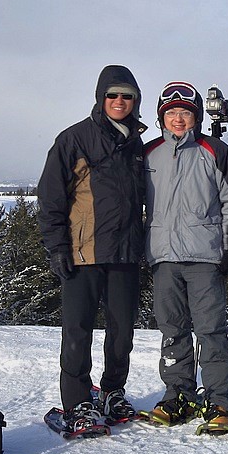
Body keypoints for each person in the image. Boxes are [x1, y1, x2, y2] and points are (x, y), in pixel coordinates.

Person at [38, 65, 146, 434]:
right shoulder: (74, 139)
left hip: (126, 253)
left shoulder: (136, 145)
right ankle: (78, 401)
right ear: (101, 98)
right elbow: (51, 198)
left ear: (136, 101)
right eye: (113, 95)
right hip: (82, 253)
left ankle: (113, 391)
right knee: (78, 330)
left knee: (122, 332)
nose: (119, 102)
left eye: (127, 96)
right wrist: (57, 247)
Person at [144, 80, 228, 431]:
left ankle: (219, 400)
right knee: (171, 330)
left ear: (197, 117)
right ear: (161, 117)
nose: (178, 118)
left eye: (185, 113)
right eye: (171, 112)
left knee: (210, 331)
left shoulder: (214, 150)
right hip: (163, 257)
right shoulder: (149, 153)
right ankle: (178, 394)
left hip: (205, 257)